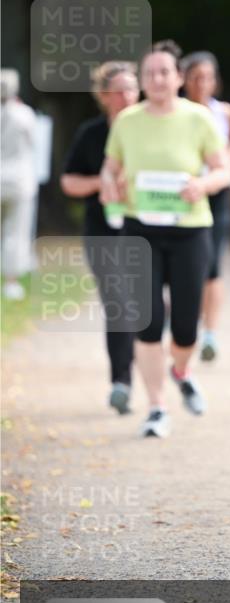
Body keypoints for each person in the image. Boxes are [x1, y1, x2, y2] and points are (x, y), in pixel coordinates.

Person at [100, 41, 230, 438]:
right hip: (140, 230)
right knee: (147, 322)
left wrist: (202, 185)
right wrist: (109, 184)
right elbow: (111, 167)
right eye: (149, 73)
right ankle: (157, 407)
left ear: (177, 77)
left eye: (164, 72)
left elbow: (223, 169)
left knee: (186, 328)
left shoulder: (199, 119)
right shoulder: (127, 121)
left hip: (190, 230)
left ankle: (181, 370)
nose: (157, 79)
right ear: (141, 81)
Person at [61, 61, 140, 415]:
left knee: (144, 302)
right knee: (118, 304)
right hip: (103, 230)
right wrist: (101, 183)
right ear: (103, 95)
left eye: (131, 88)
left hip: (147, 228)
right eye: (119, 90)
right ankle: (121, 382)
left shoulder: (152, 128)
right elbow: (68, 182)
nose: (126, 96)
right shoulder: (91, 134)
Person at [182, 51, 230, 362]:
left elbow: (229, 145)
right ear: (184, 79)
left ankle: (210, 333)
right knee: (183, 263)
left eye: (208, 77)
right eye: (195, 77)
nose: (202, 83)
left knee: (213, 263)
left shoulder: (224, 112)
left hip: (216, 193)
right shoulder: (175, 111)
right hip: (184, 193)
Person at [0, 69, 38, 301]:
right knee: (16, 231)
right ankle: (11, 281)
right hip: (19, 180)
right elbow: (33, 142)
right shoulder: (25, 114)